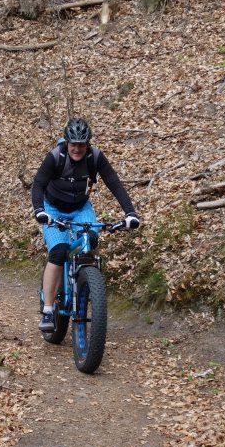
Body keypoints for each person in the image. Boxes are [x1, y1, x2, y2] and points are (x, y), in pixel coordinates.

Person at [32, 118, 141, 331]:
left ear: (88, 144)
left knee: (90, 240)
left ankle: (88, 282)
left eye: (82, 144)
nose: (77, 148)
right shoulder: (55, 157)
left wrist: (130, 213)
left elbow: (114, 183)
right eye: (73, 144)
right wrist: (39, 211)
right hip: (53, 208)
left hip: (80, 208)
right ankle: (48, 310)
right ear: (67, 142)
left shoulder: (95, 157)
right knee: (59, 251)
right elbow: (38, 184)